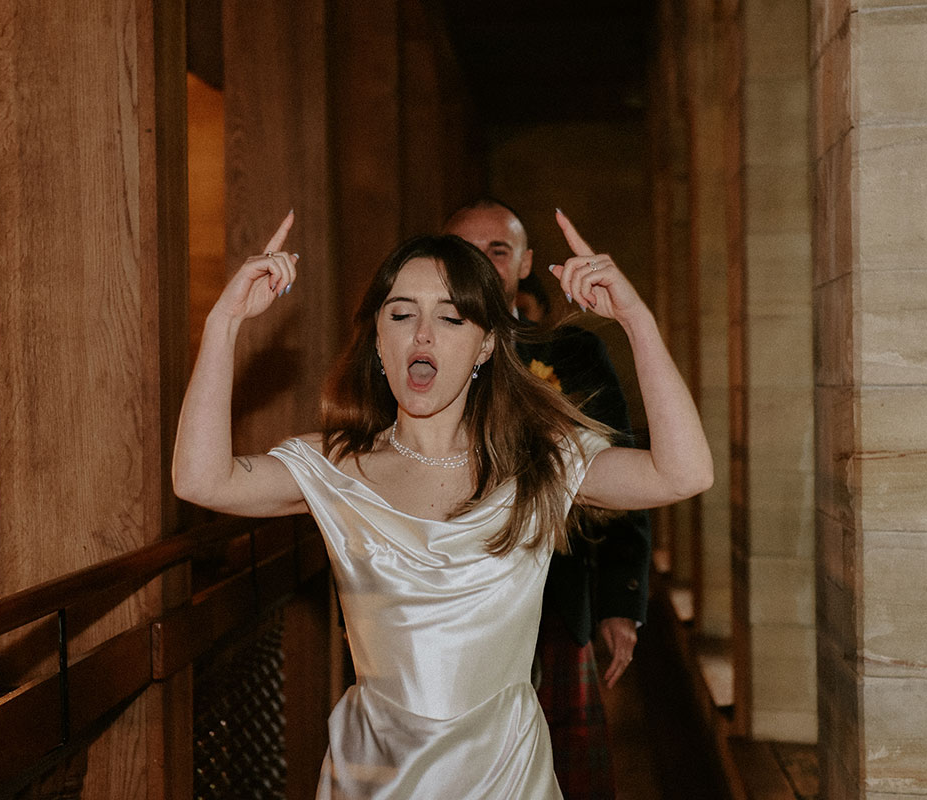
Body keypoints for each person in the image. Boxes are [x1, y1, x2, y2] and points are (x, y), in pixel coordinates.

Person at [172, 209, 712, 799]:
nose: (422, 335)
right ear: (379, 340)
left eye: (451, 318)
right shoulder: (335, 467)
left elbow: (683, 472)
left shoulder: (537, 463)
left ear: (484, 347)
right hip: (374, 780)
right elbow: (201, 481)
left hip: (505, 780)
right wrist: (223, 323)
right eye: (401, 315)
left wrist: (636, 321)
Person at [444, 198, 652, 797]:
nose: (482, 263)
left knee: (562, 769)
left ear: (526, 262)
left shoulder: (571, 353)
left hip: (553, 595)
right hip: (452, 609)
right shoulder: (418, 354)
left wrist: (620, 598)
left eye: (498, 250)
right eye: (466, 251)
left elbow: (622, 471)